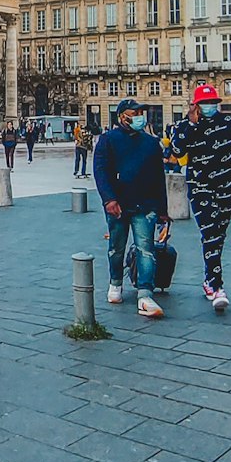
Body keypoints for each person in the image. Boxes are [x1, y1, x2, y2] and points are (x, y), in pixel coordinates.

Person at [164, 85, 231, 313]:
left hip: (226, 188)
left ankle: (209, 278)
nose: (210, 107)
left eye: (213, 102)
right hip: (201, 188)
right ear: (196, 105)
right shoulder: (184, 127)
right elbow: (176, 152)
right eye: (205, 103)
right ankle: (217, 286)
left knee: (217, 236)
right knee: (209, 233)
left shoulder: (228, 125)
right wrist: (190, 124)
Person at [91, 98, 174, 318]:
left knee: (145, 249)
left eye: (140, 113)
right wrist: (109, 199)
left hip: (145, 205)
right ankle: (115, 282)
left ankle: (145, 293)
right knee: (116, 247)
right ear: (122, 117)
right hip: (118, 203)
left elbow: (159, 178)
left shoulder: (150, 143)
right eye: (134, 113)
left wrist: (163, 210)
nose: (139, 117)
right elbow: (100, 172)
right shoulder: (108, 140)